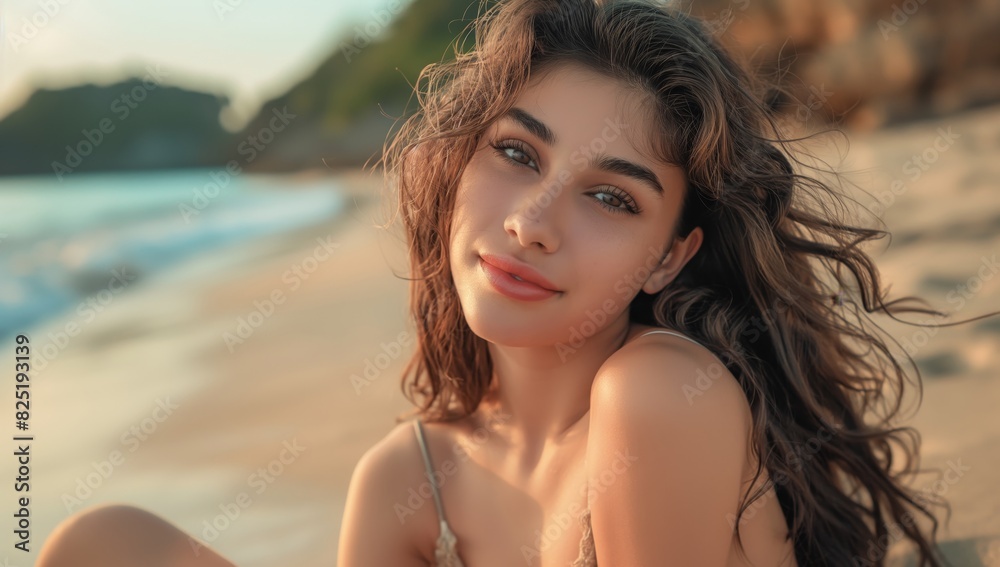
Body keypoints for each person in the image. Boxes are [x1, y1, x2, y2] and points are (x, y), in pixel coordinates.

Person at [36, 0, 998, 565]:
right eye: (515, 153)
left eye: (612, 199)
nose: (532, 222)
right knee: (99, 542)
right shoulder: (410, 479)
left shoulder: (660, 391)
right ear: (458, 164)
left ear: (670, 255)